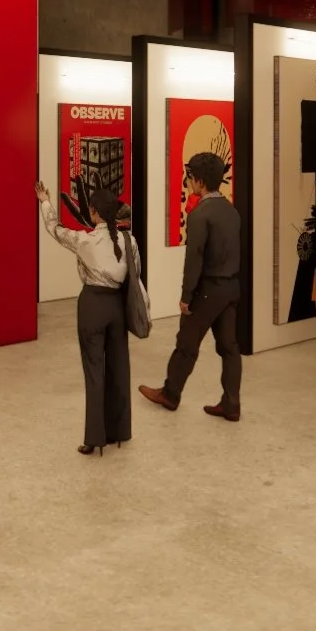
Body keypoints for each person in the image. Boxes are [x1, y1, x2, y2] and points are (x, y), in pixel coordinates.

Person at [37, 182, 146, 456]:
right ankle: (120, 431)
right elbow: (136, 273)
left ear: (94, 212)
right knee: (120, 369)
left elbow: (55, 229)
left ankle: (95, 437)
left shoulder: (84, 241)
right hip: (117, 307)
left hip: (93, 306)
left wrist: (45, 202)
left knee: (94, 371)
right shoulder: (129, 240)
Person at [140, 151, 244, 421]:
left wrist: (186, 295)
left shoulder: (200, 215)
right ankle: (231, 404)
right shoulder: (232, 211)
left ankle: (170, 394)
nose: (188, 183)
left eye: (190, 178)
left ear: (200, 181)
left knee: (186, 342)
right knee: (229, 347)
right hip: (231, 288)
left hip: (208, 290)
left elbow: (194, 259)